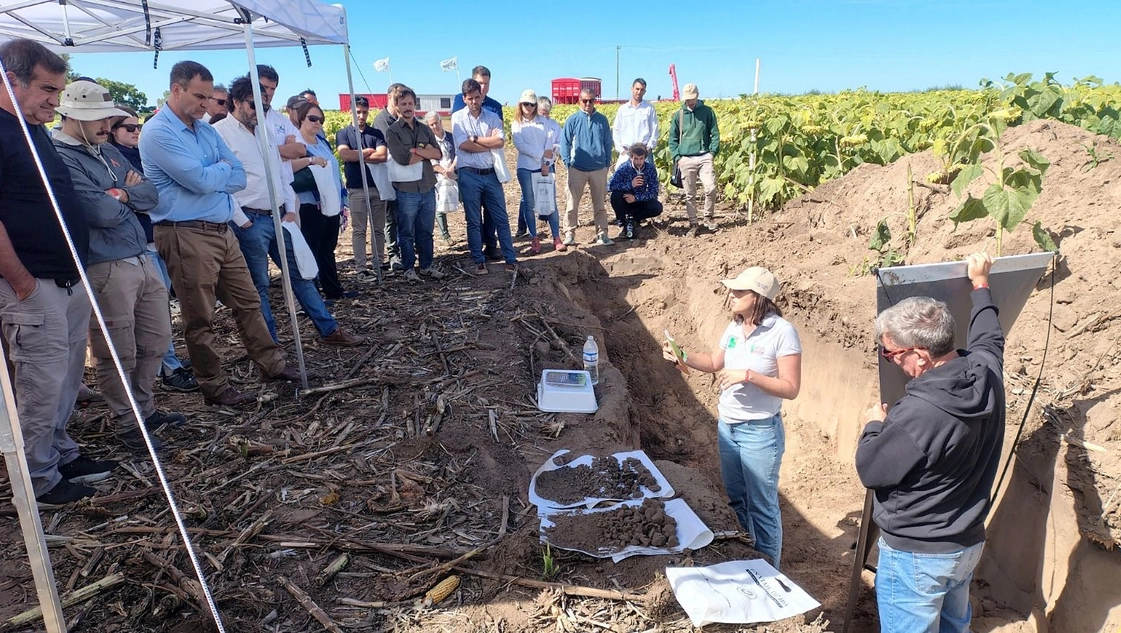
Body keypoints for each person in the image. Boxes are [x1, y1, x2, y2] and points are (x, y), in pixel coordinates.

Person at [140, 60, 303, 408]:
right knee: (200, 317)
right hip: (184, 233)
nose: (206, 104)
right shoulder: (158, 132)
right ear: (176, 89)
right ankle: (213, 386)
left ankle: (271, 365)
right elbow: (201, 180)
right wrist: (219, 171)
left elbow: (237, 177)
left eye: (209, 97)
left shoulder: (205, 130)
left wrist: (213, 173)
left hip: (219, 229)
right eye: (199, 96)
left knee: (248, 300)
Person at [0, 39, 120, 503]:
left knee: (66, 376)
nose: (55, 101)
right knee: (40, 381)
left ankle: (60, 451)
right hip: (33, 283)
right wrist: (22, 283)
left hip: (68, 276)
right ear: (10, 80)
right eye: (47, 89)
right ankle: (37, 478)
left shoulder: (33, 129)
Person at [856, 253, 1002, 633]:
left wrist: (873, 425)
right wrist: (981, 285)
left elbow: (871, 469)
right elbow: (989, 336)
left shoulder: (918, 414)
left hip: (916, 557)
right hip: (966, 545)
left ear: (919, 357)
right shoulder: (986, 372)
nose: (888, 359)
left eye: (890, 353)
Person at [53, 79, 184, 453]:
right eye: (98, 118)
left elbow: (150, 194)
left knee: (155, 339)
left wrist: (120, 194)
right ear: (72, 117)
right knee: (118, 349)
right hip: (105, 263)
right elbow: (99, 212)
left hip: (139, 255)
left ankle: (143, 409)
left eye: (107, 118)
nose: (106, 125)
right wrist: (127, 194)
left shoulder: (105, 150)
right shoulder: (62, 155)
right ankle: (128, 423)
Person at [661, 266, 802, 568]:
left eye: (739, 291)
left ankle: (769, 571)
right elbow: (714, 361)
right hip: (728, 428)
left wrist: (748, 375)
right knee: (738, 501)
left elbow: (790, 388)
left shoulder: (782, 332)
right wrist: (682, 355)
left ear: (758, 296)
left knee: (762, 506)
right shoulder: (735, 327)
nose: (731, 295)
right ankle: (749, 560)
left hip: (760, 433)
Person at [213, 77, 363, 347]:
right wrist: (241, 219)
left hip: (279, 215)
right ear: (235, 102)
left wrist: (290, 209)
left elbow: (281, 171)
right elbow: (220, 183)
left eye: (264, 107)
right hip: (249, 218)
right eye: (253, 105)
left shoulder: (265, 132)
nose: (259, 112)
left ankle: (329, 330)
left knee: (301, 275)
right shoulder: (219, 134)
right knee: (259, 284)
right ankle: (270, 346)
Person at [109, 107, 199, 393]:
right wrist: (132, 193)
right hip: (137, 243)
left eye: (138, 126)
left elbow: (152, 194)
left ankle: (164, 360)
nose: (136, 131)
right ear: (113, 130)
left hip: (155, 235)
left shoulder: (139, 155)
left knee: (163, 305)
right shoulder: (113, 159)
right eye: (129, 127)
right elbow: (125, 199)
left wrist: (132, 193)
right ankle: (168, 367)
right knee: (154, 309)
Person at [451, 78, 518, 275]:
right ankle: (478, 260)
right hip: (469, 174)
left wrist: (476, 139)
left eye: (477, 97)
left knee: (501, 218)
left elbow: (500, 142)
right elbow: (464, 146)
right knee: (473, 220)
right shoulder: (457, 118)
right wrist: (488, 143)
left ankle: (510, 259)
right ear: (464, 98)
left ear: (482, 96)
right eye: (470, 98)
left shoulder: (492, 116)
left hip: (491, 174)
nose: (474, 101)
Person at [293, 101, 355, 301]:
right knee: (311, 249)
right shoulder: (295, 143)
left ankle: (333, 290)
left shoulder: (322, 143)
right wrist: (310, 160)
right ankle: (312, 295)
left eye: (320, 119)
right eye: (312, 118)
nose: (317, 123)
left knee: (327, 248)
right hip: (309, 204)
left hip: (330, 203)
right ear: (301, 118)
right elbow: (286, 167)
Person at [385, 89, 445, 282]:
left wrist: (416, 151)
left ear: (415, 105)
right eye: (403, 104)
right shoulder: (393, 131)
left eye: (410, 104)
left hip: (427, 186)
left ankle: (426, 266)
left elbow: (438, 154)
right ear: (397, 106)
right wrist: (425, 151)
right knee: (407, 232)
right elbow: (403, 159)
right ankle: (409, 268)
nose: (408, 107)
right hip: (406, 190)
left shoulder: (425, 129)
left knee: (426, 231)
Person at [451, 66, 504, 260]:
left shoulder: (495, 107)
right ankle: (476, 250)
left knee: (491, 212)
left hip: (490, 168)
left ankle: (491, 244)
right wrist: (487, 143)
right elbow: (462, 142)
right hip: (469, 168)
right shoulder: (460, 101)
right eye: (480, 83)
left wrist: (481, 142)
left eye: (486, 84)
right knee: (473, 215)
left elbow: (499, 140)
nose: (482, 88)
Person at [336, 95, 389, 282]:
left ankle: (378, 263)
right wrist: (366, 152)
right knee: (359, 229)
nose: (361, 116)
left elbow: (382, 156)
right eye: (357, 112)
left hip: (376, 187)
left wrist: (357, 155)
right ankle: (361, 268)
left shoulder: (376, 134)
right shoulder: (343, 134)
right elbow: (345, 155)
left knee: (378, 229)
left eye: (364, 112)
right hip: (357, 188)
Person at [559, 88, 614, 247]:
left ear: (595, 101)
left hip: (599, 168)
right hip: (577, 168)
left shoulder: (602, 120)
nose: (588, 103)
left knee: (600, 204)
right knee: (572, 204)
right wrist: (567, 162)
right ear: (579, 101)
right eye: (585, 100)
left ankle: (602, 234)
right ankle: (569, 233)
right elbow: (565, 142)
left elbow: (607, 142)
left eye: (591, 100)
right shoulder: (573, 119)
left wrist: (607, 163)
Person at [511, 89, 562, 254]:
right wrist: (541, 155)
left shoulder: (543, 122)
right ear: (520, 104)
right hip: (525, 167)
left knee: (550, 201)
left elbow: (549, 143)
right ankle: (534, 238)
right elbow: (521, 146)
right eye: (525, 104)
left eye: (532, 104)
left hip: (545, 166)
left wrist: (546, 163)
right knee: (529, 203)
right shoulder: (517, 124)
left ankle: (556, 237)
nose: (529, 107)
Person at [668, 82, 720, 237]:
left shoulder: (707, 112)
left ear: (697, 96)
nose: (689, 101)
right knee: (690, 194)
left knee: (710, 188)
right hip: (686, 158)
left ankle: (708, 218)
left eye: (692, 98)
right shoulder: (679, 115)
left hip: (704, 156)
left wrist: (712, 153)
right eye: (687, 99)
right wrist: (678, 157)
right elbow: (672, 139)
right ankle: (693, 223)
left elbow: (715, 133)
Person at [373, 83, 406, 274]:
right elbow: (393, 145)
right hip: (387, 176)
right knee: (390, 218)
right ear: (389, 99)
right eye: (397, 100)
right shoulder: (382, 120)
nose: (400, 104)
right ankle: (393, 254)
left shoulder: (403, 119)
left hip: (404, 176)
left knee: (404, 216)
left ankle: (405, 251)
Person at [607, 142, 662, 240]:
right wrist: (630, 185)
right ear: (631, 157)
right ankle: (622, 224)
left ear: (645, 158)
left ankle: (634, 220)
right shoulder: (624, 168)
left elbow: (654, 192)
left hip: (640, 201)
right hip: (626, 201)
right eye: (636, 158)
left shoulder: (650, 169)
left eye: (641, 158)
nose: (639, 162)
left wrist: (636, 198)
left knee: (657, 207)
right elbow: (610, 186)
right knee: (615, 195)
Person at [537, 96, 565, 252]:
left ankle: (555, 234)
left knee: (550, 196)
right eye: (543, 112)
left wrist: (553, 149)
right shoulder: (532, 125)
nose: (545, 115)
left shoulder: (554, 125)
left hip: (549, 164)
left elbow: (559, 144)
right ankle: (523, 228)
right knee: (527, 199)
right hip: (533, 165)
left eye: (547, 113)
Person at [425, 111, 457, 245]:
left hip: (455, 174)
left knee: (466, 201)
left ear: (440, 122)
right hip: (438, 177)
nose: (434, 127)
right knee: (440, 206)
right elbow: (431, 161)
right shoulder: (428, 142)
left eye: (436, 123)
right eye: (431, 125)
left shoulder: (451, 137)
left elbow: (458, 153)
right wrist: (444, 171)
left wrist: (452, 168)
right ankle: (445, 235)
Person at [612, 78, 658, 170]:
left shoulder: (649, 108)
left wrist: (649, 148)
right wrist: (621, 150)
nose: (639, 92)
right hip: (626, 153)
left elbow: (654, 130)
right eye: (637, 89)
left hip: (644, 154)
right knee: (623, 178)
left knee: (646, 178)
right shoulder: (623, 109)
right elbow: (616, 130)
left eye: (642, 90)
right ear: (632, 89)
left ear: (645, 91)